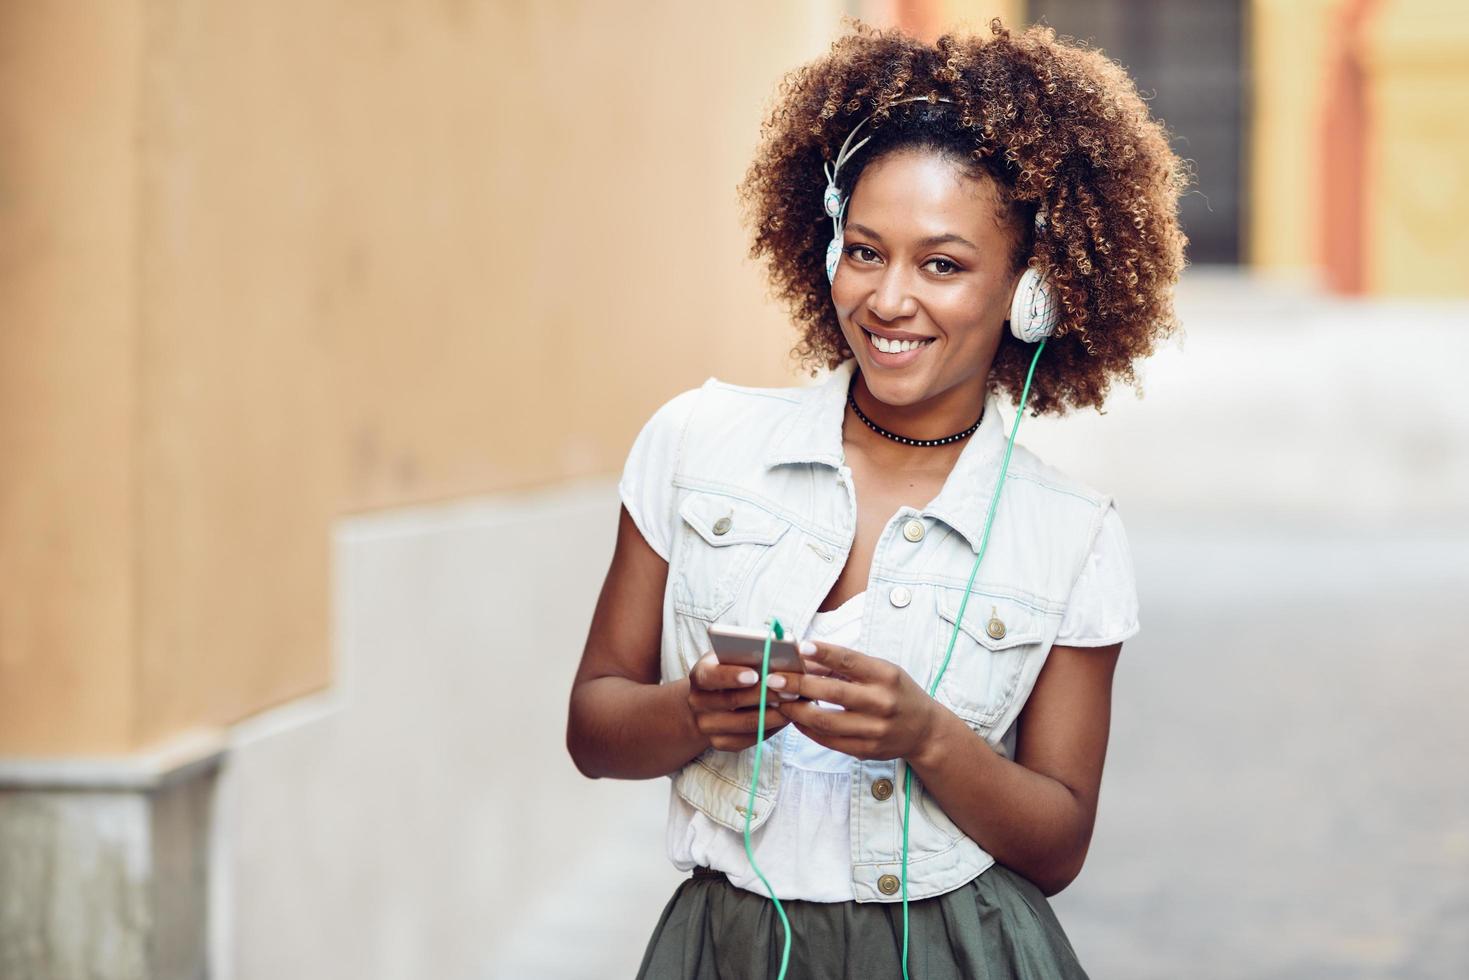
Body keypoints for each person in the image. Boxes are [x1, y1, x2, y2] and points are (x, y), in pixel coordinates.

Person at [566, 18, 1187, 980]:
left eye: (941, 264)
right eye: (864, 251)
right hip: (719, 949)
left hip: (956, 952)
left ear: (1033, 294)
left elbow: (1058, 843)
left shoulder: (1071, 537)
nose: (888, 300)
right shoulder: (697, 442)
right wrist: (697, 713)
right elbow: (593, 728)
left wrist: (927, 738)